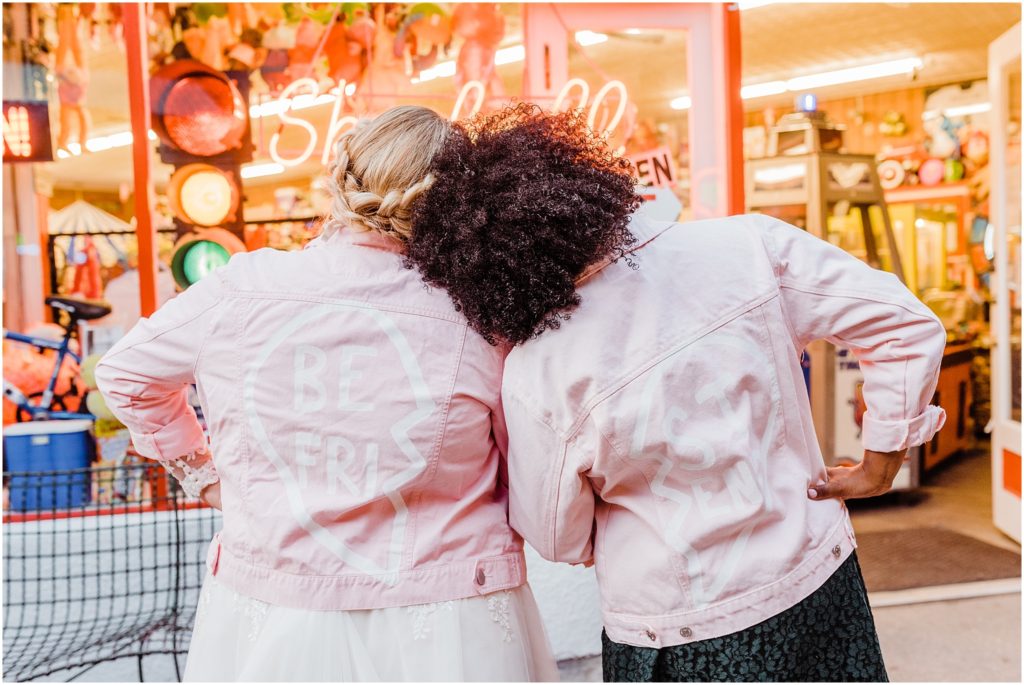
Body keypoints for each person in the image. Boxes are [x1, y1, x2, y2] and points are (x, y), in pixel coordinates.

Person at [406, 104, 947, 682]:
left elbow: (556, 536)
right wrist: (880, 461)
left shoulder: (537, 367)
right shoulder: (748, 245)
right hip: (812, 576)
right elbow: (904, 326)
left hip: (672, 623)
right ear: (584, 183)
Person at [95, 106, 561, 682]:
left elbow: (125, 374)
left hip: (277, 606)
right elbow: (526, 462)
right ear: (460, 200)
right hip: (451, 616)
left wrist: (204, 474)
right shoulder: (480, 316)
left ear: (342, 178)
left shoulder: (241, 289)